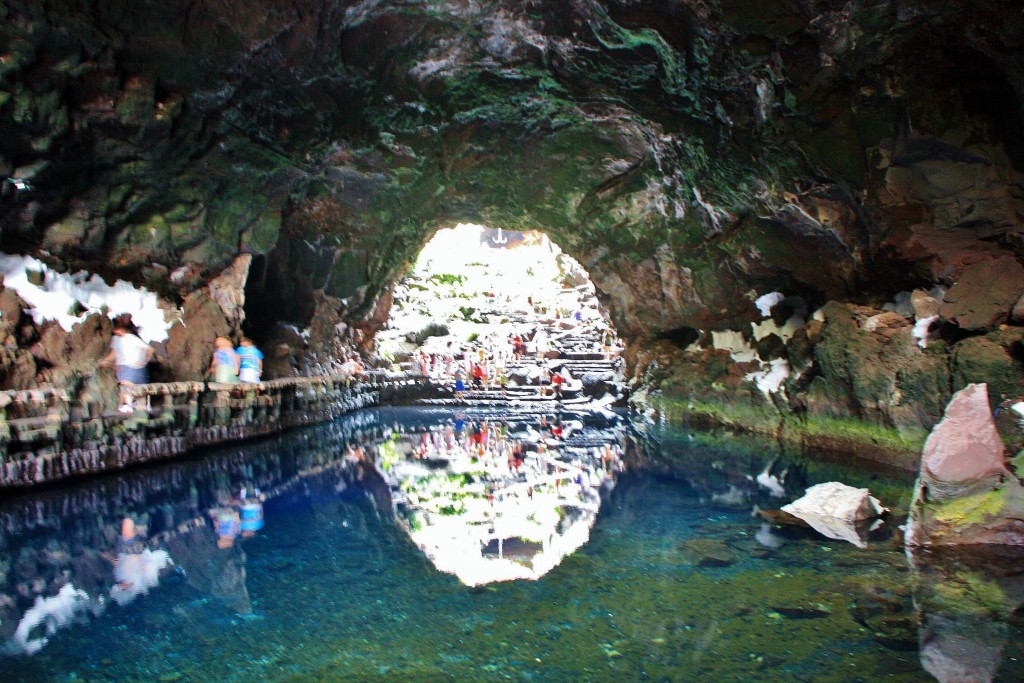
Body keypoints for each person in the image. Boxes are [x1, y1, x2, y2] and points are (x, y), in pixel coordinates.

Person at [100, 320, 154, 413]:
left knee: (126, 386)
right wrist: (144, 361)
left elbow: (114, 354)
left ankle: (128, 406)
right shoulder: (133, 338)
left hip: (126, 366)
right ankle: (142, 405)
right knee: (137, 387)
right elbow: (149, 349)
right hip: (138, 367)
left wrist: (104, 361)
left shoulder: (117, 338)